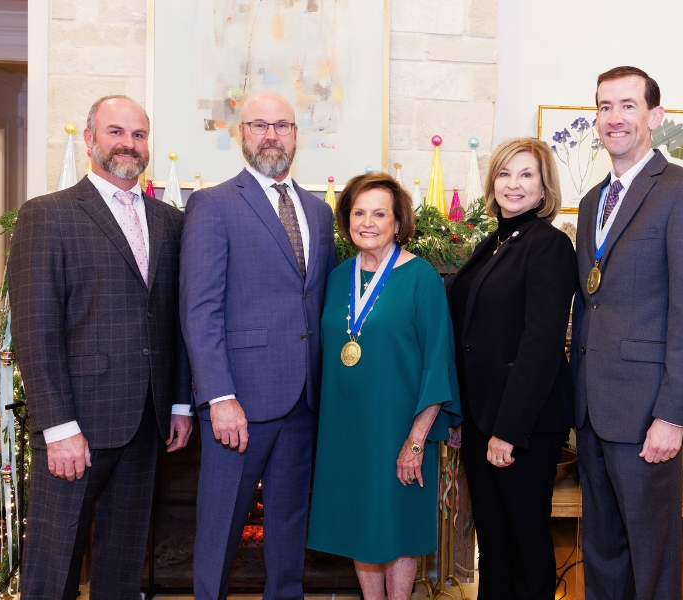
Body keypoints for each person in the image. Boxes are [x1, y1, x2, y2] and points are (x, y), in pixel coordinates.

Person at [7, 95, 193, 599]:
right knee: (54, 561)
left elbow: (176, 320)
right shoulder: (48, 215)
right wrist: (58, 426)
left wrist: (179, 401)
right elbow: (34, 326)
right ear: (90, 140)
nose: (128, 145)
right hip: (78, 424)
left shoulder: (169, 222)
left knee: (123, 561)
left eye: (138, 135)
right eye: (115, 132)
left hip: (148, 420)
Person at [570, 66, 683, 599]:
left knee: (651, 558)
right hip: (592, 410)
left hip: (646, 415)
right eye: (605, 107)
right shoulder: (592, 202)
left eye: (627, 106)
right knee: (603, 551)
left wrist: (674, 415)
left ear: (654, 116)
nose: (615, 118)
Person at [180, 92, 336, 600]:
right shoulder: (213, 204)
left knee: (289, 529)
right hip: (238, 403)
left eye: (282, 126)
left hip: (303, 400)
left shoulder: (319, 211)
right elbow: (200, 310)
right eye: (260, 125)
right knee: (220, 528)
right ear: (241, 133)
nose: (272, 135)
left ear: (296, 134)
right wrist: (218, 397)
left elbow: (316, 302)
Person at [307, 172, 461, 600]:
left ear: (398, 223)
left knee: (398, 527)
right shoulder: (338, 278)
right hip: (346, 428)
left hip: (400, 428)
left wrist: (416, 440)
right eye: (359, 212)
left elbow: (437, 364)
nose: (368, 222)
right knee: (361, 524)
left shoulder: (422, 277)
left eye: (380, 213)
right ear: (347, 220)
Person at [446, 138, 577, 599]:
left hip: (521, 424)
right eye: (505, 173)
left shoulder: (549, 245)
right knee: (495, 543)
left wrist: (508, 430)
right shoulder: (498, 241)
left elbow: (540, 345)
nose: (513, 184)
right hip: (485, 418)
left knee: (524, 543)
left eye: (526, 175)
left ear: (545, 190)